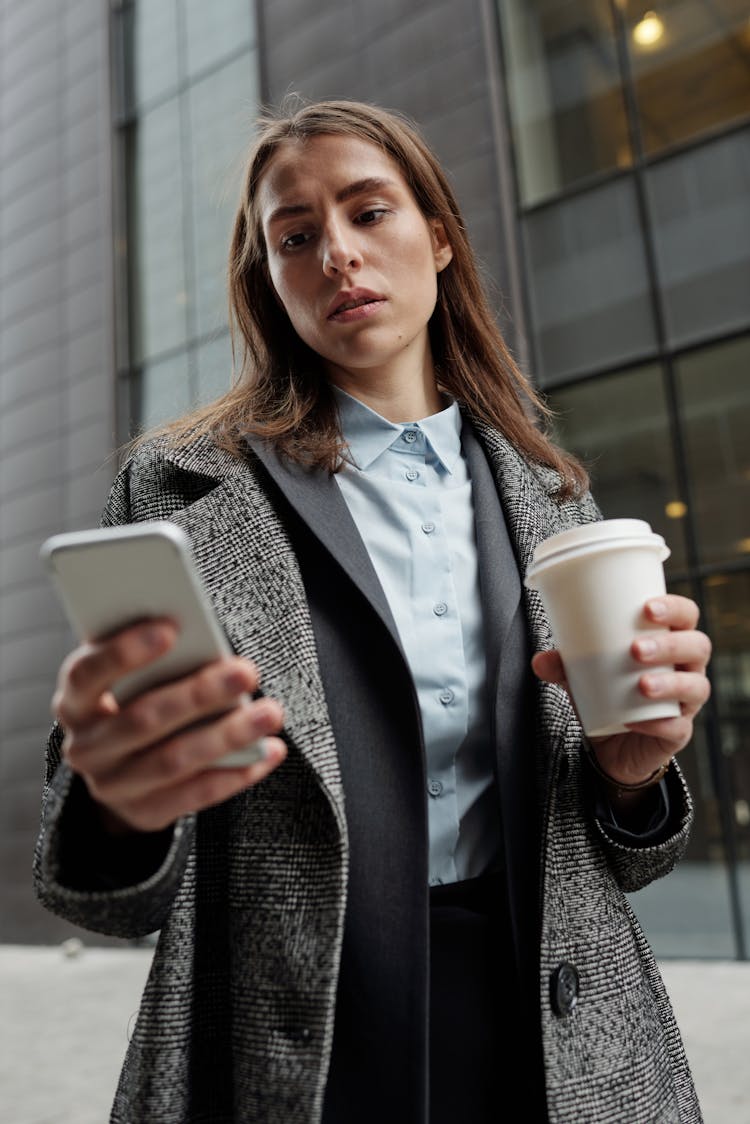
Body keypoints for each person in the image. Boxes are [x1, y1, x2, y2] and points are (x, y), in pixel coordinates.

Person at [34, 97, 712, 1124]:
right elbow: (100, 888)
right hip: (284, 1032)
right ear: (269, 280)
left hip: (555, 1034)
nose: (337, 255)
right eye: (295, 237)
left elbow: (629, 851)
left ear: (439, 237)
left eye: (369, 213)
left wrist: (637, 776)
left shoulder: (554, 494)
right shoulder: (179, 490)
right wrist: (119, 801)